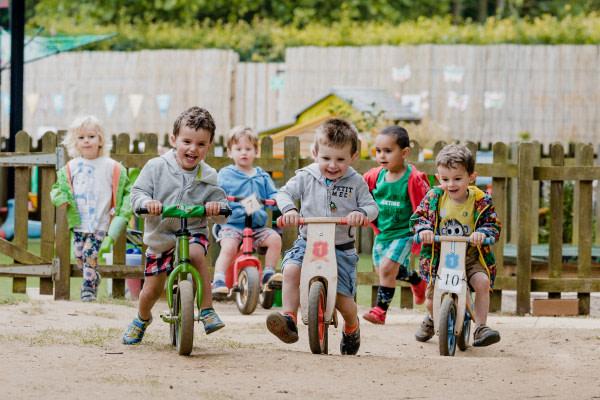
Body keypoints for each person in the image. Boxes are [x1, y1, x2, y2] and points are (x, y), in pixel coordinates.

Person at [266, 118, 379, 355]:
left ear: (353, 157)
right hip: (308, 242)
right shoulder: (307, 176)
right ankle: (289, 319)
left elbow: (372, 207)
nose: (332, 165)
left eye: (340, 159)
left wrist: (361, 213)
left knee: (342, 299)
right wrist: (289, 210)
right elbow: (284, 193)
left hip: (341, 247)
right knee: (290, 271)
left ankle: (351, 326)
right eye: (326, 158)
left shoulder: (356, 182)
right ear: (315, 153)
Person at [122, 106, 229, 345]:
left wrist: (216, 207)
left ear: (209, 146)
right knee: (151, 290)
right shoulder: (156, 167)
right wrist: (146, 203)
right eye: (187, 141)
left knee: (195, 255)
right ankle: (141, 318)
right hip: (161, 238)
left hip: (193, 232)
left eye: (201, 144)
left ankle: (207, 309)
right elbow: (137, 192)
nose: (193, 149)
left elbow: (222, 206)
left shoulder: (208, 175)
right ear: (174, 140)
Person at [410, 144, 501, 347]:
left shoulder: (481, 201)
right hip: (440, 258)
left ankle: (480, 327)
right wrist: (423, 229)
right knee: (432, 298)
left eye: (457, 178)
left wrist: (482, 233)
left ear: (471, 177)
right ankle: (433, 318)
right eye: (445, 179)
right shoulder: (434, 198)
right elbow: (418, 218)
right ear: (438, 178)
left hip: (470, 257)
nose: (451, 184)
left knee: (482, 282)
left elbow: (493, 224)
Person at [50, 115, 132, 302]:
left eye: (91, 136)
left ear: (100, 139)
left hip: (101, 221)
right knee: (79, 255)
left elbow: (127, 191)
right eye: (81, 138)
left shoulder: (112, 167)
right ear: (75, 142)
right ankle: (94, 277)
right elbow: (58, 188)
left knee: (89, 252)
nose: (86, 141)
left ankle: (87, 290)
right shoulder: (71, 167)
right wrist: (60, 198)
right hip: (79, 221)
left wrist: (122, 213)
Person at [361, 126, 430, 325]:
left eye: (388, 151)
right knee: (383, 270)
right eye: (378, 151)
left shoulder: (414, 179)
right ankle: (417, 280)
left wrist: (424, 228)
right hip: (383, 233)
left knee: (385, 269)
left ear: (405, 153)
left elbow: (427, 203)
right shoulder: (375, 176)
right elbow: (358, 191)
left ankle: (380, 312)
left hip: (405, 233)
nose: (382, 155)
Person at [212, 125, 282, 296]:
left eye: (248, 149)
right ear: (230, 152)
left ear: (256, 151)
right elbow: (216, 193)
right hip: (233, 225)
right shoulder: (225, 174)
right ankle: (219, 280)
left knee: (275, 239)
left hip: (256, 226)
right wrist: (218, 204)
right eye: (239, 149)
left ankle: (268, 275)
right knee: (228, 247)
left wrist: (278, 200)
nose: (244, 152)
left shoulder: (262, 176)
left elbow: (273, 195)